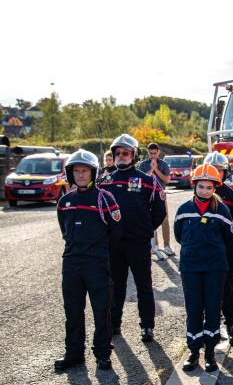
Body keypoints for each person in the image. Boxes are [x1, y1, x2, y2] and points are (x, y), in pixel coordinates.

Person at [54, 150, 122, 372]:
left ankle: (103, 354)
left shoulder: (105, 198)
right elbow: (65, 230)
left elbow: (116, 233)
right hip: (72, 264)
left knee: (102, 311)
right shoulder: (65, 202)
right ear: (70, 173)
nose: (80, 175)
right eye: (76, 171)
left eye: (84, 171)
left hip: (97, 264)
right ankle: (74, 354)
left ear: (93, 172)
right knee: (72, 311)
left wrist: (100, 254)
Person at [99, 134, 166, 342]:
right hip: (115, 245)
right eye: (117, 153)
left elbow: (158, 211)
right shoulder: (104, 182)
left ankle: (147, 326)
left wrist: (145, 230)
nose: (121, 156)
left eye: (125, 153)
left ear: (134, 155)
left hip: (138, 243)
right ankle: (115, 324)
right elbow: (99, 212)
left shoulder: (148, 181)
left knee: (143, 286)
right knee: (115, 286)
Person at [175, 164, 233, 373]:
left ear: (215, 188)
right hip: (191, 267)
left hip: (215, 268)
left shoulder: (222, 210)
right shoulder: (183, 210)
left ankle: (210, 352)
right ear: (194, 186)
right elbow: (178, 236)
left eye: (209, 187)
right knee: (193, 309)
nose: (204, 191)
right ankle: (193, 352)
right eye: (201, 187)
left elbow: (229, 239)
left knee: (212, 308)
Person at [203, 152, 233, 346]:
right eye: (212, 170)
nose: (215, 173)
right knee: (207, 290)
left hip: (226, 250)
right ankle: (211, 328)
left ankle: (232, 326)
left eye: (219, 170)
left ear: (225, 172)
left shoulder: (231, 195)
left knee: (227, 288)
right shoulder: (200, 193)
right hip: (205, 251)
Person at [137, 143, 172, 260]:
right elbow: (140, 181)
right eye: (150, 153)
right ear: (148, 152)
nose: (152, 155)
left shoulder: (164, 164)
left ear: (158, 152)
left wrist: (156, 169)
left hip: (160, 195)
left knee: (164, 219)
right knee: (150, 219)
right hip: (146, 196)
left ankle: (167, 245)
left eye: (154, 153)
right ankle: (154, 245)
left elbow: (167, 180)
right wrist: (151, 169)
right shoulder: (142, 165)